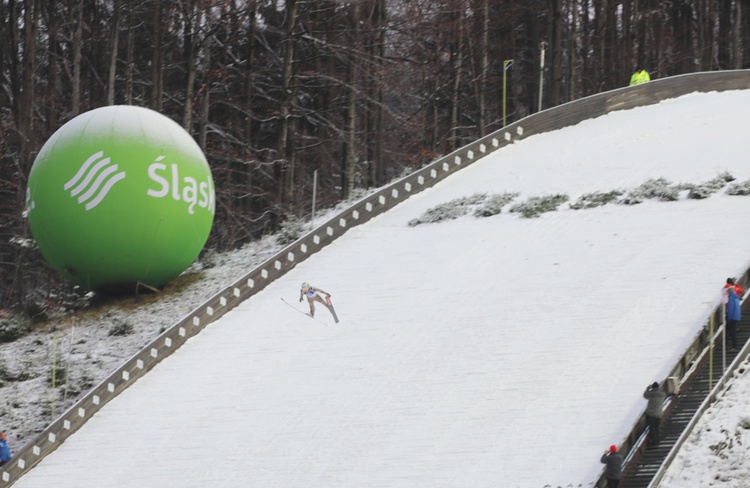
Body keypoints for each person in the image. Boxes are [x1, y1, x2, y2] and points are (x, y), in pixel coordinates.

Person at [643, 382, 667, 447]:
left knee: (652, 428)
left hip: (651, 414)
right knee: (657, 428)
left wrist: (648, 389)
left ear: (653, 387)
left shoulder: (651, 394)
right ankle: (658, 440)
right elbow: (664, 392)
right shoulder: (662, 394)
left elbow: (645, 395)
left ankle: (654, 441)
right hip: (659, 414)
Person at [726, 285, 741, 352]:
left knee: (732, 332)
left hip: (732, 317)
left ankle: (734, 346)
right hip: (736, 316)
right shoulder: (736, 297)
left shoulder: (731, 298)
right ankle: (734, 346)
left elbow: (730, 309)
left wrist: (728, 317)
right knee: (733, 331)